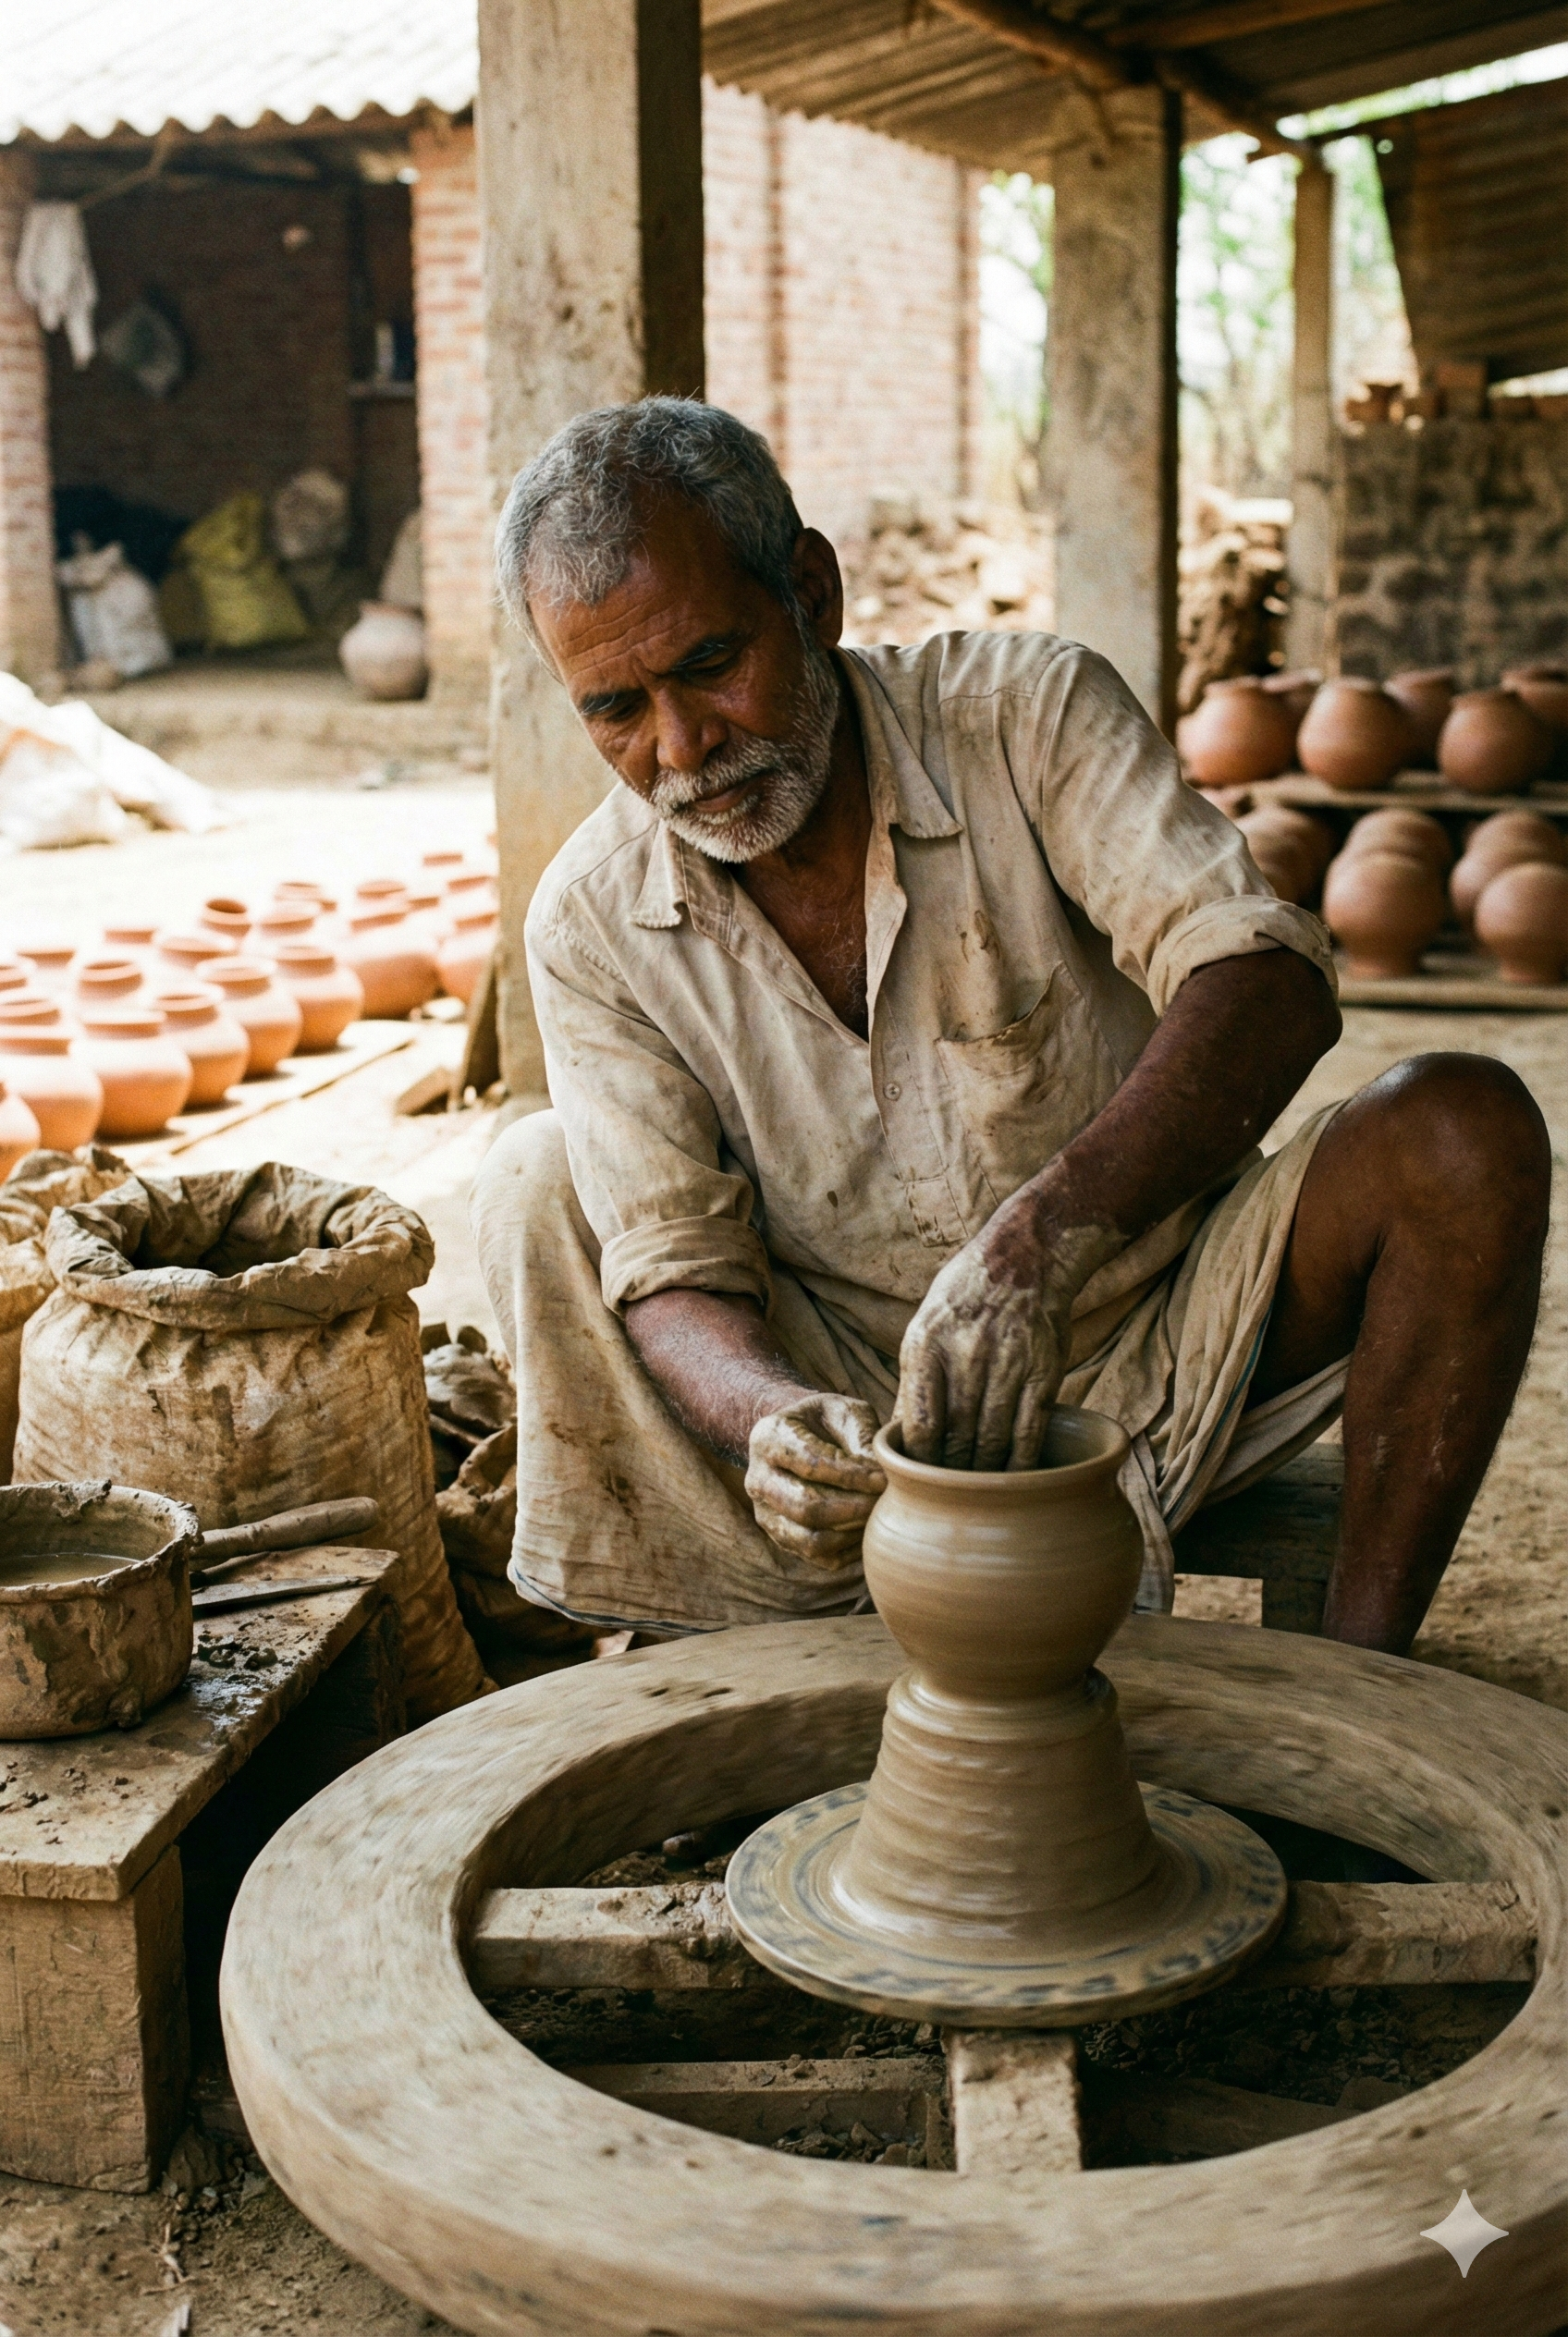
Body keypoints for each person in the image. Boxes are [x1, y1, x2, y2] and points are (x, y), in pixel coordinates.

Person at [472, 397, 1548, 1658]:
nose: (682, 746)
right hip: (861, 1411)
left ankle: (1366, 1691)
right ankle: (752, 1660)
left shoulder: (1024, 715)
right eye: (616, 709)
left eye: (713, 665)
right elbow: (670, 1266)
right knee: (533, 1179)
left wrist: (1046, 1238)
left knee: (1463, 1127)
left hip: (1163, 1332)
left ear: (811, 593)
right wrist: (769, 1418)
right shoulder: (593, 920)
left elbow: (1264, 976)